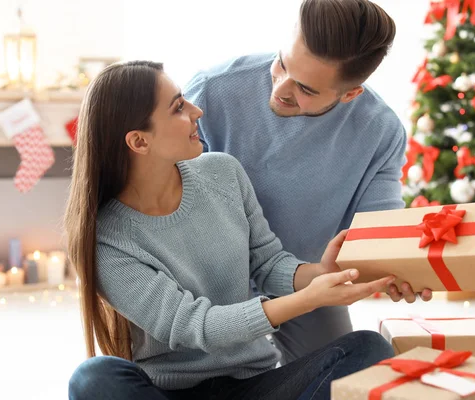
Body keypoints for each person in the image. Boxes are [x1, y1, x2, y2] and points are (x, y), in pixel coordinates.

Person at [65, 60, 396, 400]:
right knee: (93, 378)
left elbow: (267, 263)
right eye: (178, 107)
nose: (197, 111)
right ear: (139, 141)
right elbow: (196, 326)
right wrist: (306, 301)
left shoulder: (222, 173)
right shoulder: (108, 239)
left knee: (367, 348)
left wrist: (319, 273)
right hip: (170, 392)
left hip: (254, 386)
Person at [184, 0, 434, 365]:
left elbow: (378, 231)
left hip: (307, 278)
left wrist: (400, 270)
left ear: (350, 94)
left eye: (305, 89)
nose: (282, 89)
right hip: (208, 278)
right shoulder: (212, 90)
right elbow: (160, 198)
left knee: (347, 370)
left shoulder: (380, 130)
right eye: (282, 63)